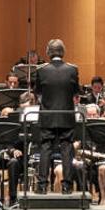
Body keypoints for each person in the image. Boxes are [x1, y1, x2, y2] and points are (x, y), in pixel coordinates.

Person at [34, 39, 79, 194]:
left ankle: (41, 186)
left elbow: (38, 92)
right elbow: (75, 92)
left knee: (45, 149)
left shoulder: (41, 70)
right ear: (63, 52)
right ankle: (67, 186)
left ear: (48, 52)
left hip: (48, 116)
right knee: (67, 149)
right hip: (66, 116)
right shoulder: (72, 70)